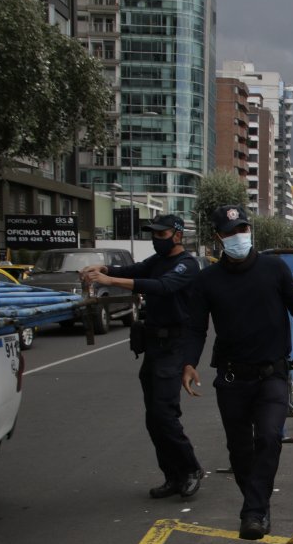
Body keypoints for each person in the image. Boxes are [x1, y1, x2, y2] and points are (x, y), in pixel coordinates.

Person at [180, 205, 293, 540]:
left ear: (250, 231)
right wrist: (188, 362)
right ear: (218, 238)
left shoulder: (274, 268)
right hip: (231, 377)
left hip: (272, 374)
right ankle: (257, 504)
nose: (238, 236)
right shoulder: (207, 280)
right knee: (240, 450)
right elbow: (197, 328)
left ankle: (254, 512)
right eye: (230, 232)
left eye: (242, 229)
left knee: (268, 437)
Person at [80, 214, 204, 500]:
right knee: (153, 418)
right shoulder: (156, 261)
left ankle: (190, 469)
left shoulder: (187, 265)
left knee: (165, 414)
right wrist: (106, 266)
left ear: (177, 236)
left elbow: (162, 286)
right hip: (154, 347)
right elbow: (134, 268)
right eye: (153, 235)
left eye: (161, 235)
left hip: (174, 347)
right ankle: (172, 475)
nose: (156, 240)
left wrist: (108, 279)